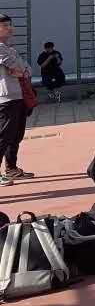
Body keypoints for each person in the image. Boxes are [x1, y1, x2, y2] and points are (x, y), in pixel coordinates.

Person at [0, 14, 33, 186]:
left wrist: (22, 71)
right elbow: (15, 66)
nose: (9, 28)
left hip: (19, 96)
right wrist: (21, 69)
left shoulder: (10, 49)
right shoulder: (1, 49)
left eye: (9, 25)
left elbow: (27, 69)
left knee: (16, 135)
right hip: (6, 98)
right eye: (4, 25)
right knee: (3, 136)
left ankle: (11, 169)